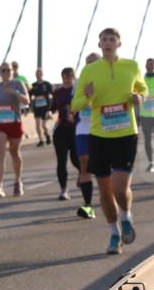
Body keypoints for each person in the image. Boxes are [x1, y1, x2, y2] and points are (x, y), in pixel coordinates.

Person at [71, 29, 147, 255]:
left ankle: (126, 217)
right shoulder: (90, 70)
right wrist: (86, 95)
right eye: (104, 39)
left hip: (125, 133)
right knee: (104, 191)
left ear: (119, 43)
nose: (108, 42)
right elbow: (75, 105)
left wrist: (139, 98)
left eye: (112, 39)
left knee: (120, 187)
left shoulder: (131, 66)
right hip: (100, 135)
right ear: (99, 44)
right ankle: (114, 235)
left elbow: (142, 89)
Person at [0, 61, 30, 197]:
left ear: (12, 71)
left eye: (8, 70)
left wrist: (16, 93)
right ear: (0, 73)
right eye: (3, 71)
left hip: (14, 122)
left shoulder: (18, 84)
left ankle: (18, 181)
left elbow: (27, 101)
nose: (5, 73)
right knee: (0, 153)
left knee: (14, 153)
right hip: (0, 122)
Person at [73, 53, 100, 219]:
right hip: (83, 128)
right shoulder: (79, 83)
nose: (90, 66)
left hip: (103, 128)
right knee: (84, 162)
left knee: (104, 169)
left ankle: (110, 197)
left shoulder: (107, 82)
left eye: (93, 63)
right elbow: (75, 105)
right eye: (87, 63)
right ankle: (88, 205)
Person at [50, 67, 79, 200]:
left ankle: (83, 173)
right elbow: (53, 108)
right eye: (64, 76)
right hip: (61, 129)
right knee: (61, 161)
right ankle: (64, 190)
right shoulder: (58, 93)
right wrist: (48, 113)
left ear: (74, 76)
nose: (67, 78)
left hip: (76, 129)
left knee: (75, 159)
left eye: (69, 75)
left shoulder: (78, 91)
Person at [29, 68, 53, 147]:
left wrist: (51, 108)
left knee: (43, 125)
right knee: (37, 124)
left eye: (39, 73)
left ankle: (47, 135)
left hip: (45, 107)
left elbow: (52, 95)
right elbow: (29, 96)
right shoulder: (33, 85)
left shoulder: (47, 84)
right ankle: (41, 140)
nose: (38, 75)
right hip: (37, 108)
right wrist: (30, 107)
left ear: (42, 74)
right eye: (37, 73)